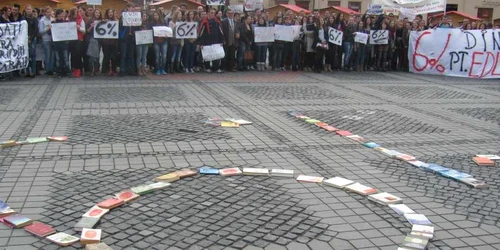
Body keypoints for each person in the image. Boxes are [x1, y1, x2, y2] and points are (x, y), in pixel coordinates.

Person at [199, 8, 224, 73]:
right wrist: (201, 43)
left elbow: (220, 32)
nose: (212, 14)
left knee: (216, 55)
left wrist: (221, 41)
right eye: (211, 13)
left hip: (216, 40)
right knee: (208, 55)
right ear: (208, 13)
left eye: (214, 13)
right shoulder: (204, 22)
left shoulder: (217, 21)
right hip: (207, 41)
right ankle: (207, 68)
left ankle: (216, 68)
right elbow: (201, 33)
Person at [119, 4, 138, 76]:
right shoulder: (123, 16)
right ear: (128, 8)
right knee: (123, 55)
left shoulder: (136, 16)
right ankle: (122, 70)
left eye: (133, 8)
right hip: (124, 38)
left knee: (131, 55)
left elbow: (138, 26)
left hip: (132, 38)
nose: (133, 9)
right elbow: (120, 25)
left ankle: (131, 69)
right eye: (131, 7)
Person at [68, 7, 86, 78]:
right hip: (72, 40)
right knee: (73, 55)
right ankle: (75, 69)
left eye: (77, 12)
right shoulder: (69, 20)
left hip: (79, 40)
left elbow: (84, 30)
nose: (76, 14)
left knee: (78, 55)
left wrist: (79, 28)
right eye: (74, 13)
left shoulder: (81, 20)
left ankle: (78, 69)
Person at [52, 8, 70, 77]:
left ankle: (67, 71)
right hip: (57, 43)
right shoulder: (53, 22)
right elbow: (50, 33)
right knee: (58, 59)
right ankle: (58, 71)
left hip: (64, 43)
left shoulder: (66, 22)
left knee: (65, 58)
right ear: (58, 14)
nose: (64, 15)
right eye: (62, 13)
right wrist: (50, 28)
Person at [101, 8, 119, 76]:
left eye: (111, 12)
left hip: (114, 42)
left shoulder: (116, 20)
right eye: (109, 12)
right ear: (107, 14)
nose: (110, 13)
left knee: (114, 57)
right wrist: (104, 22)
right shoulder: (104, 20)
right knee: (107, 56)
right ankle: (107, 69)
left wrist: (117, 21)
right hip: (106, 42)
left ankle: (114, 70)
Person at [86, 8, 102, 76]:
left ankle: (96, 69)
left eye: (98, 13)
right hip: (92, 39)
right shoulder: (90, 20)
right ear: (94, 13)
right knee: (91, 56)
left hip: (99, 40)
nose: (97, 14)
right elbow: (87, 31)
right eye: (96, 12)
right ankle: (91, 70)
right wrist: (91, 26)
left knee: (97, 56)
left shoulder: (101, 21)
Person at [38, 7, 54, 76]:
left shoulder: (52, 19)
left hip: (52, 39)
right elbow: (40, 31)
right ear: (44, 13)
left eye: (50, 12)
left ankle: (52, 69)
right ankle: (48, 70)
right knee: (47, 55)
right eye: (47, 12)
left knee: (52, 56)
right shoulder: (42, 21)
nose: (49, 13)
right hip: (45, 40)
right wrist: (48, 28)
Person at [151, 10, 167, 75]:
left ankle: (163, 69)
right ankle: (157, 69)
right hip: (156, 41)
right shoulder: (152, 23)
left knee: (164, 56)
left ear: (159, 16)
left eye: (156, 15)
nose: (155, 16)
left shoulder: (163, 22)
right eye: (154, 15)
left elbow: (167, 30)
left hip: (164, 41)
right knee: (157, 57)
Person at [24, 4, 38, 77]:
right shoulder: (23, 19)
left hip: (32, 38)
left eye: (30, 9)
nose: (29, 10)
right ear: (25, 10)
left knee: (33, 55)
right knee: (26, 55)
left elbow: (36, 30)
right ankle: (27, 71)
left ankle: (33, 71)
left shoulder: (35, 19)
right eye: (27, 9)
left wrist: (31, 39)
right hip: (24, 38)